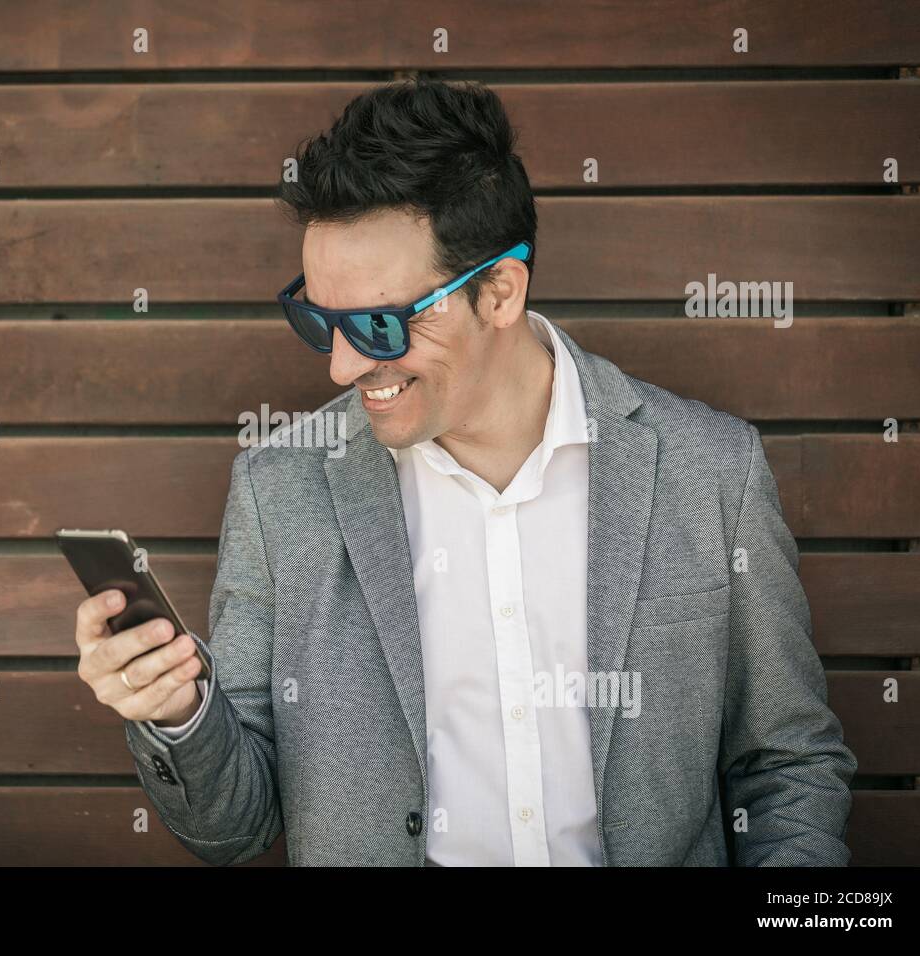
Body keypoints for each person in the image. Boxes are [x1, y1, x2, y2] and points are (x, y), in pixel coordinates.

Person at [74, 78, 856, 866]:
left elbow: (785, 766)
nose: (345, 365)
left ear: (500, 292)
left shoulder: (712, 473)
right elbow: (233, 832)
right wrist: (179, 712)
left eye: (378, 324)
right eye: (317, 318)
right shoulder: (279, 492)